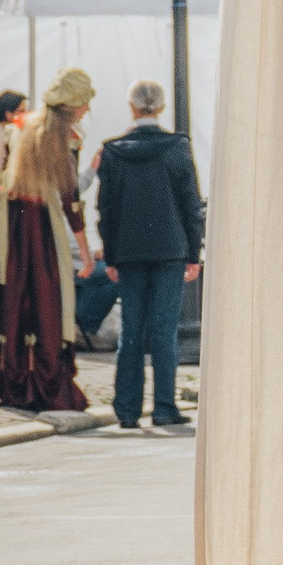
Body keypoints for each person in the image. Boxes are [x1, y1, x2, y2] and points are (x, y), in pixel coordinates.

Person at [0, 71, 93, 413]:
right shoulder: (66, 138)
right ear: (73, 106)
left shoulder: (22, 127)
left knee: (12, 298)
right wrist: (85, 255)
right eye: (85, 104)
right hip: (41, 228)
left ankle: (9, 377)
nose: (87, 110)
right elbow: (70, 201)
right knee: (45, 300)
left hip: (12, 227)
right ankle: (43, 379)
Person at [93, 79, 205, 433]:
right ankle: (164, 407)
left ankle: (127, 410)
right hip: (170, 250)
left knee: (131, 331)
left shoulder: (113, 151)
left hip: (128, 252)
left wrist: (111, 256)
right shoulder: (178, 147)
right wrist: (194, 253)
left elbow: (106, 209)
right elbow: (191, 204)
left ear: (131, 107)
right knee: (164, 331)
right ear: (161, 107)